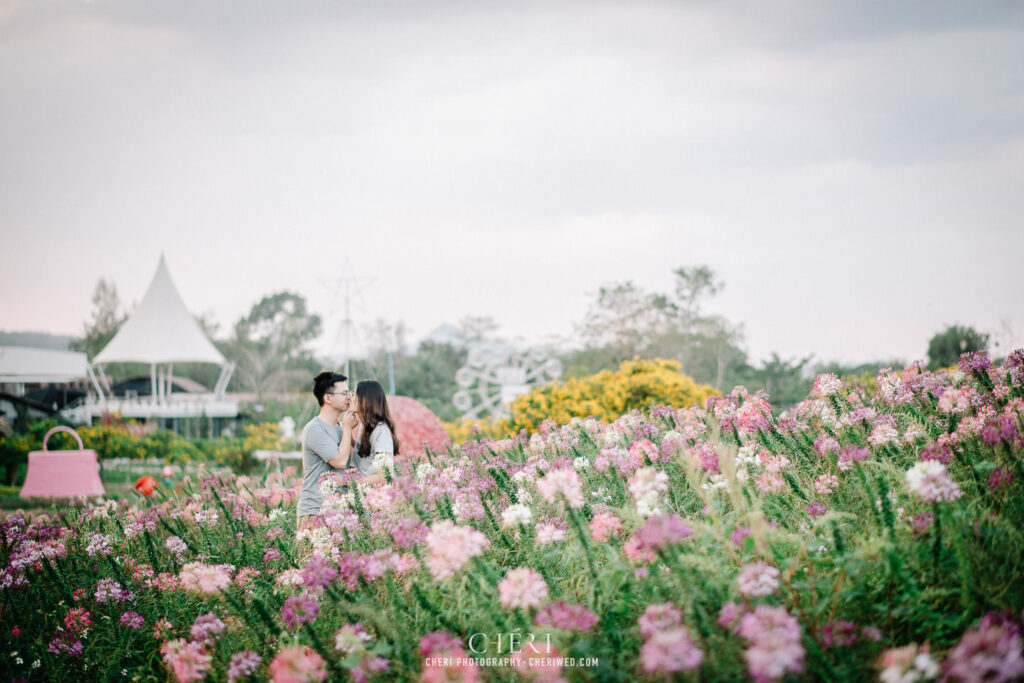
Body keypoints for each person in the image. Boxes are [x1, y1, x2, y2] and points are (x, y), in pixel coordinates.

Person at [296, 371, 360, 530]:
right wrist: (347, 428)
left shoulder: (340, 427)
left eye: (349, 392)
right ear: (328, 398)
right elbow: (339, 462)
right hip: (315, 512)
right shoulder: (315, 429)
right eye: (344, 393)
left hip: (339, 510)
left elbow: (361, 454)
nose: (349, 397)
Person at [350, 379, 400, 481]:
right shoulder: (365, 426)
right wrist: (347, 431)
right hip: (363, 493)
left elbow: (385, 476)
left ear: (365, 400)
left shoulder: (381, 432)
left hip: (374, 495)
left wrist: (347, 481)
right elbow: (366, 453)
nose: (350, 398)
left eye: (354, 394)